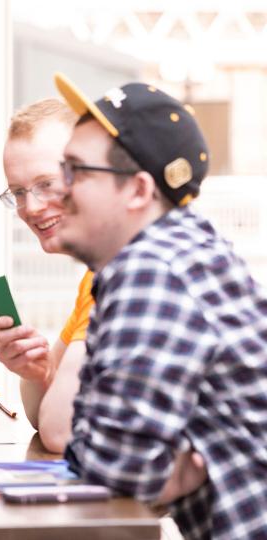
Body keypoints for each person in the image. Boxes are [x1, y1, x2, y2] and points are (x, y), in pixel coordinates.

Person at [53, 73, 267, 539]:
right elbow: (90, 439)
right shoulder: (173, 254)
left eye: (76, 171)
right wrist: (163, 473)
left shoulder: (156, 269)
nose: (58, 190)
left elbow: (114, 466)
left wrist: (137, 469)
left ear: (139, 190)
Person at [0, 99, 87, 453]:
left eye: (46, 184)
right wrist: (38, 371)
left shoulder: (125, 272)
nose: (30, 208)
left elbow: (59, 432)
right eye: (17, 193)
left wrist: (47, 377)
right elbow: (39, 415)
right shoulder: (94, 279)